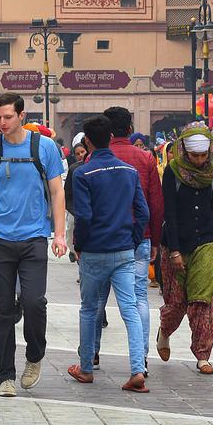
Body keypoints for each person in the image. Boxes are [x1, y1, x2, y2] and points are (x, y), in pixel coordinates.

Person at [0, 93, 67, 397]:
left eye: (8, 117)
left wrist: (60, 234)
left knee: (34, 302)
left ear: (22, 116)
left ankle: (34, 356)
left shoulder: (44, 147)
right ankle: (6, 376)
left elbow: (57, 191)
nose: (2, 123)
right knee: (2, 309)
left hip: (33, 237)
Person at [68, 114, 150, 392]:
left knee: (89, 308)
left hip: (94, 249)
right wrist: (133, 240)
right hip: (124, 248)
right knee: (130, 309)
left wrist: (80, 245)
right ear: (111, 138)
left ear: (87, 142)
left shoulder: (83, 173)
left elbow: (84, 216)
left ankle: (86, 367)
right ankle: (137, 368)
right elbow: (143, 212)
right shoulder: (129, 171)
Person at [94, 106, 163, 373]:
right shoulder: (145, 158)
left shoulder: (96, 158)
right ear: (130, 129)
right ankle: (141, 357)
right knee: (138, 298)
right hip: (139, 236)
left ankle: (92, 354)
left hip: (102, 238)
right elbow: (155, 203)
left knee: (97, 299)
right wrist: (155, 239)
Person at [157, 126, 213, 375]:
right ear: (185, 153)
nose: (199, 160)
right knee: (177, 302)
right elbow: (169, 212)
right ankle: (164, 331)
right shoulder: (173, 171)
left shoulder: (212, 172)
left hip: (206, 240)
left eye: (203, 155)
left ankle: (202, 355)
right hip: (177, 240)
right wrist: (174, 250)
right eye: (194, 156)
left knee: (203, 300)